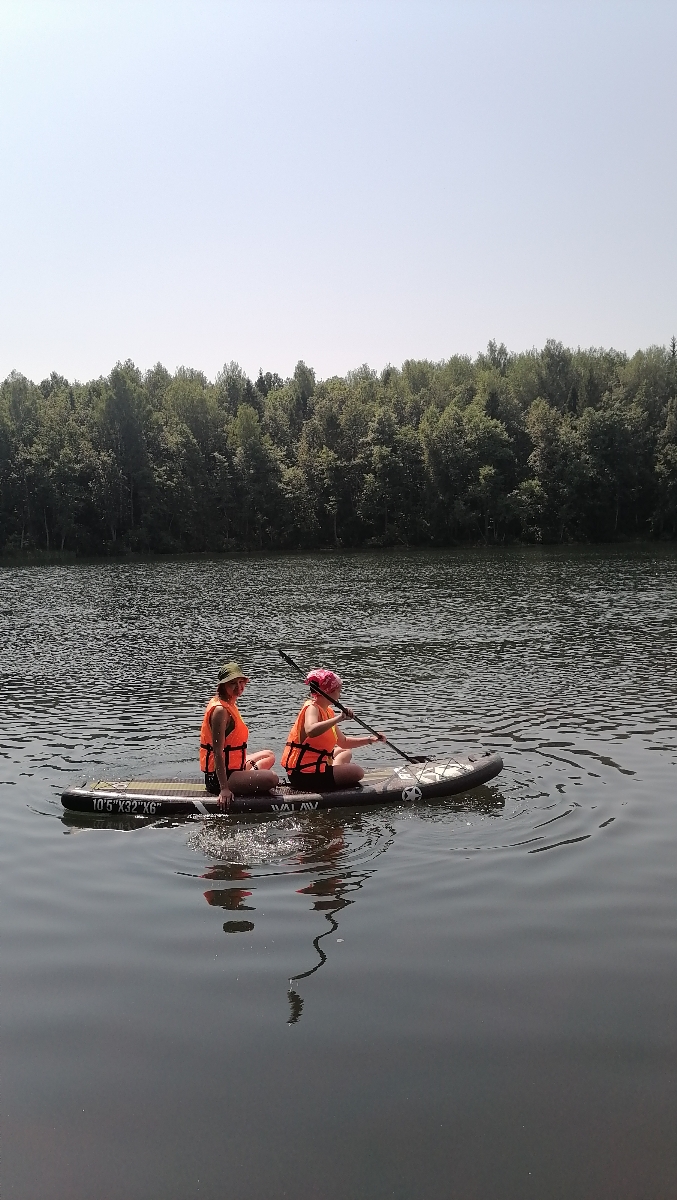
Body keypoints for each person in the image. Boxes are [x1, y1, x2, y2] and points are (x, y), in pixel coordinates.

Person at [282, 668, 386, 791]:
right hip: (304, 774)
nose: (340, 694)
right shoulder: (312, 708)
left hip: (317, 767)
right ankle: (334, 776)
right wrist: (340, 718)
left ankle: (333, 773)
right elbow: (310, 729)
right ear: (329, 692)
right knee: (357, 772)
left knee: (345, 752)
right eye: (338, 691)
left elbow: (343, 742)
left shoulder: (328, 711)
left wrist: (371, 739)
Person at [200, 661, 278, 809]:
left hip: (235, 768)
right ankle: (244, 781)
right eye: (233, 683)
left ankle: (248, 777)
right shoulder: (220, 711)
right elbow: (217, 751)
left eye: (241, 682)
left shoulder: (229, 703)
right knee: (272, 778)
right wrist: (224, 789)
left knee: (269, 755)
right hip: (219, 778)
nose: (239, 687)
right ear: (223, 686)